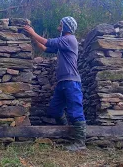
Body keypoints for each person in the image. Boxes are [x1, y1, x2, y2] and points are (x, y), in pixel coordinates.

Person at [24, 16, 86, 151]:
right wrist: (32, 37)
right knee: (55, 110)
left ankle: (80, 143)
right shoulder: (63, 44)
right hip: (62, 82)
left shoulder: (69, 39)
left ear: (66, 27)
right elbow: (44, 47)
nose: (58, 27)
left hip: (71, 81)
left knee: (75, 111)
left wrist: (33, 32)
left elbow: (47, 41)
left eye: (60, 25)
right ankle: (66, 135)